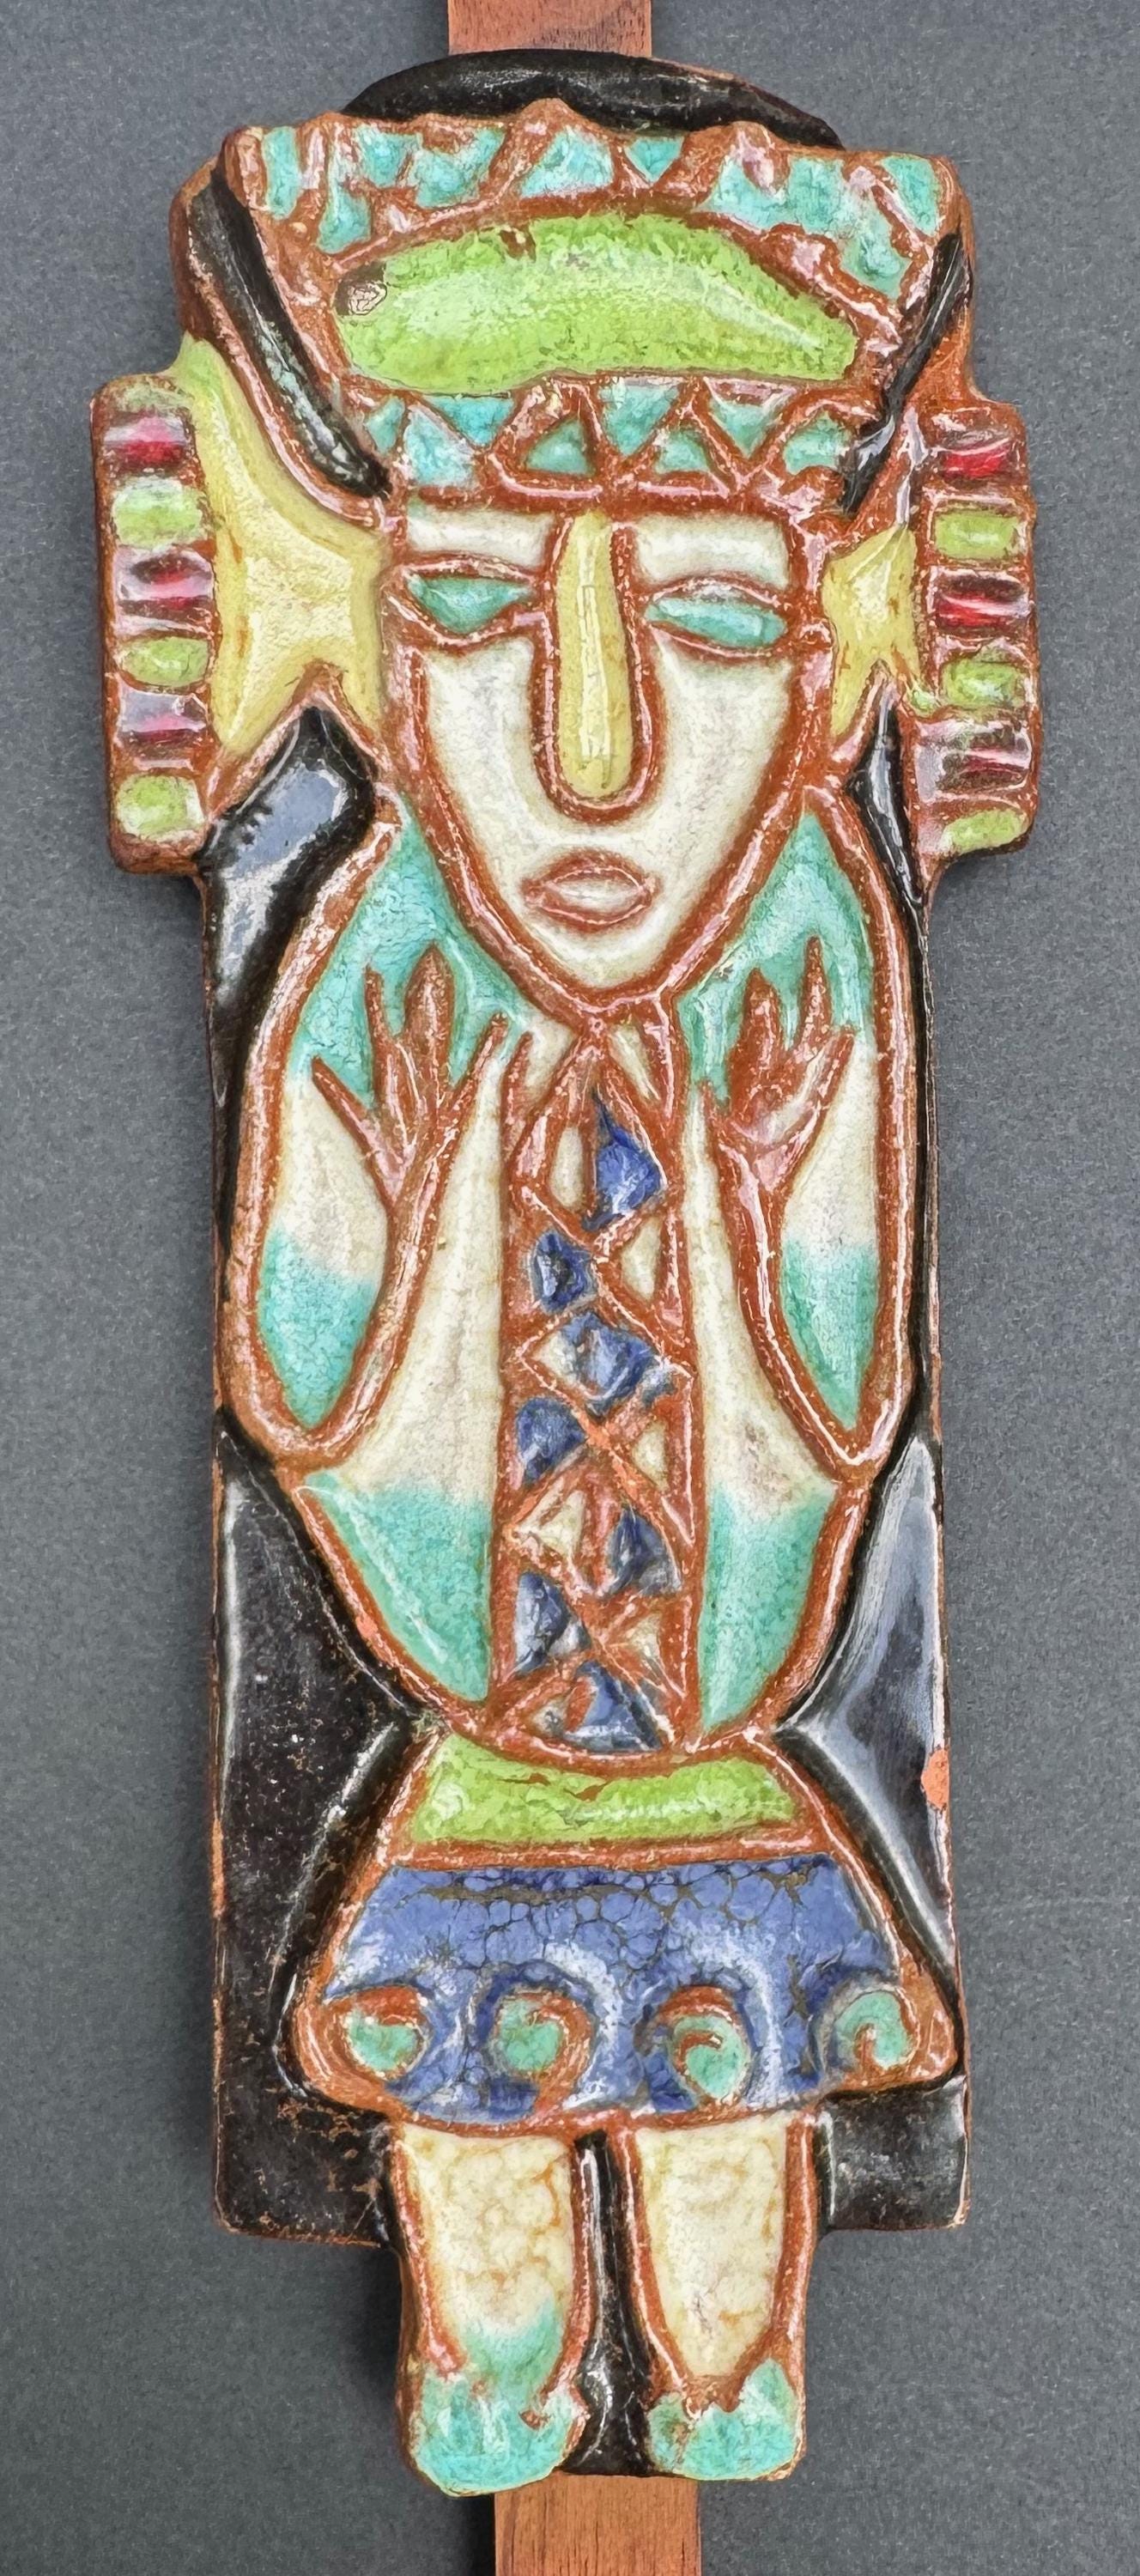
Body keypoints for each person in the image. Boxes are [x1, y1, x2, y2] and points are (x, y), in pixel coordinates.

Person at [93, 63, 1038, 2492]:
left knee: (730, 2171)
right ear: (375, 648)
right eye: (479, 611)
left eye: (711, 615)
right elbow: (305, 1393)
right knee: (478, 2156)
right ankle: (498, 2366)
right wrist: (413, 1194)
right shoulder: (377, 950)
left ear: (825, 660)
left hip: (733, 1746)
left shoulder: (808, 945)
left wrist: (745, 1172)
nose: (594, 760)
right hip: (470, 1755)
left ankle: (720, 2368)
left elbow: (846, 1402)